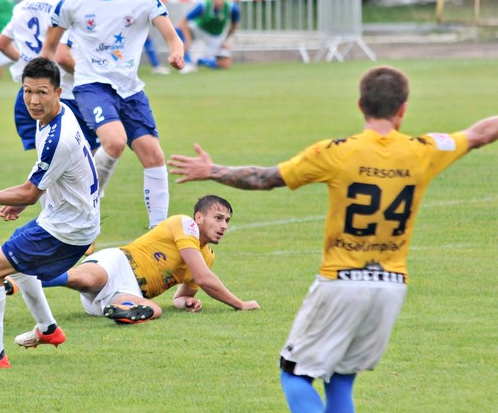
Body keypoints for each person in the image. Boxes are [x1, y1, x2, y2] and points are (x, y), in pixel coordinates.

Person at [167, 66, 498, 412]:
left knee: (294, 376)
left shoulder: (335, 151)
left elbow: (265, 178)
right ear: (403, 109)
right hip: (392, 286)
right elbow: (479, 134)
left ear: (360, 105)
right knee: (340, 378)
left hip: (341, 282)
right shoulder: (424, 149)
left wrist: (212, 171)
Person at [0, 58, 101, 369]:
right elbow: (45, 179)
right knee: (15, 262)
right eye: (27, 91)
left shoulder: (57, 138)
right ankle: (48, 330)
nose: (34, 100)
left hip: (65, 228)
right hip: (66, 218)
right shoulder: (54, 115)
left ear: (59, 91)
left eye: (42, 92)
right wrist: (23, 199)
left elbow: (31, 192)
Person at [40, 0, 185, 230]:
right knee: (115, 141)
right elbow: (49, 48)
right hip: (92, 86)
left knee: (154, 155)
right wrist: (43, 83)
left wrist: (176, 52)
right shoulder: (73, 3)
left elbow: (172, 36)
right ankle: (92, 190)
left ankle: (158, 230)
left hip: (130, 90)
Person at [37, 195, 259, 324]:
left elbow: (180, 297)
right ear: (199, 218)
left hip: (129, 292)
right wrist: (240, 304)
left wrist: (186, 302)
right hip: (119, 263)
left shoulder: (207, 256)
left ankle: (120, 310)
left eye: (227, 220)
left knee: (155, 310)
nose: (224, 226)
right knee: (89, 279)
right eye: (218, 218)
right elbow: (203, 278)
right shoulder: (185, 224)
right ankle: (27, 278)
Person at [0, 0, 96, 151]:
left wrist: (29, 66)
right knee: (89, 158)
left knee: (50, 165)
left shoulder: (24, 4)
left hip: (27, 96)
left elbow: (1, 43)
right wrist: (91, 77)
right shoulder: (66, 6)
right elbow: (63, 58)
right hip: (63, 96)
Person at [176, 0, 240, 71]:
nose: (219, 1)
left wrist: (226, 40)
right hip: (199, 29)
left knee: (225, 64)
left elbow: (234, 25)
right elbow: (183, 21)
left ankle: (199, 61)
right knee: (177, 30)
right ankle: (187, 63)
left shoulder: (232, 8)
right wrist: (187, 40)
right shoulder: (203, 5)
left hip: (215, 35)